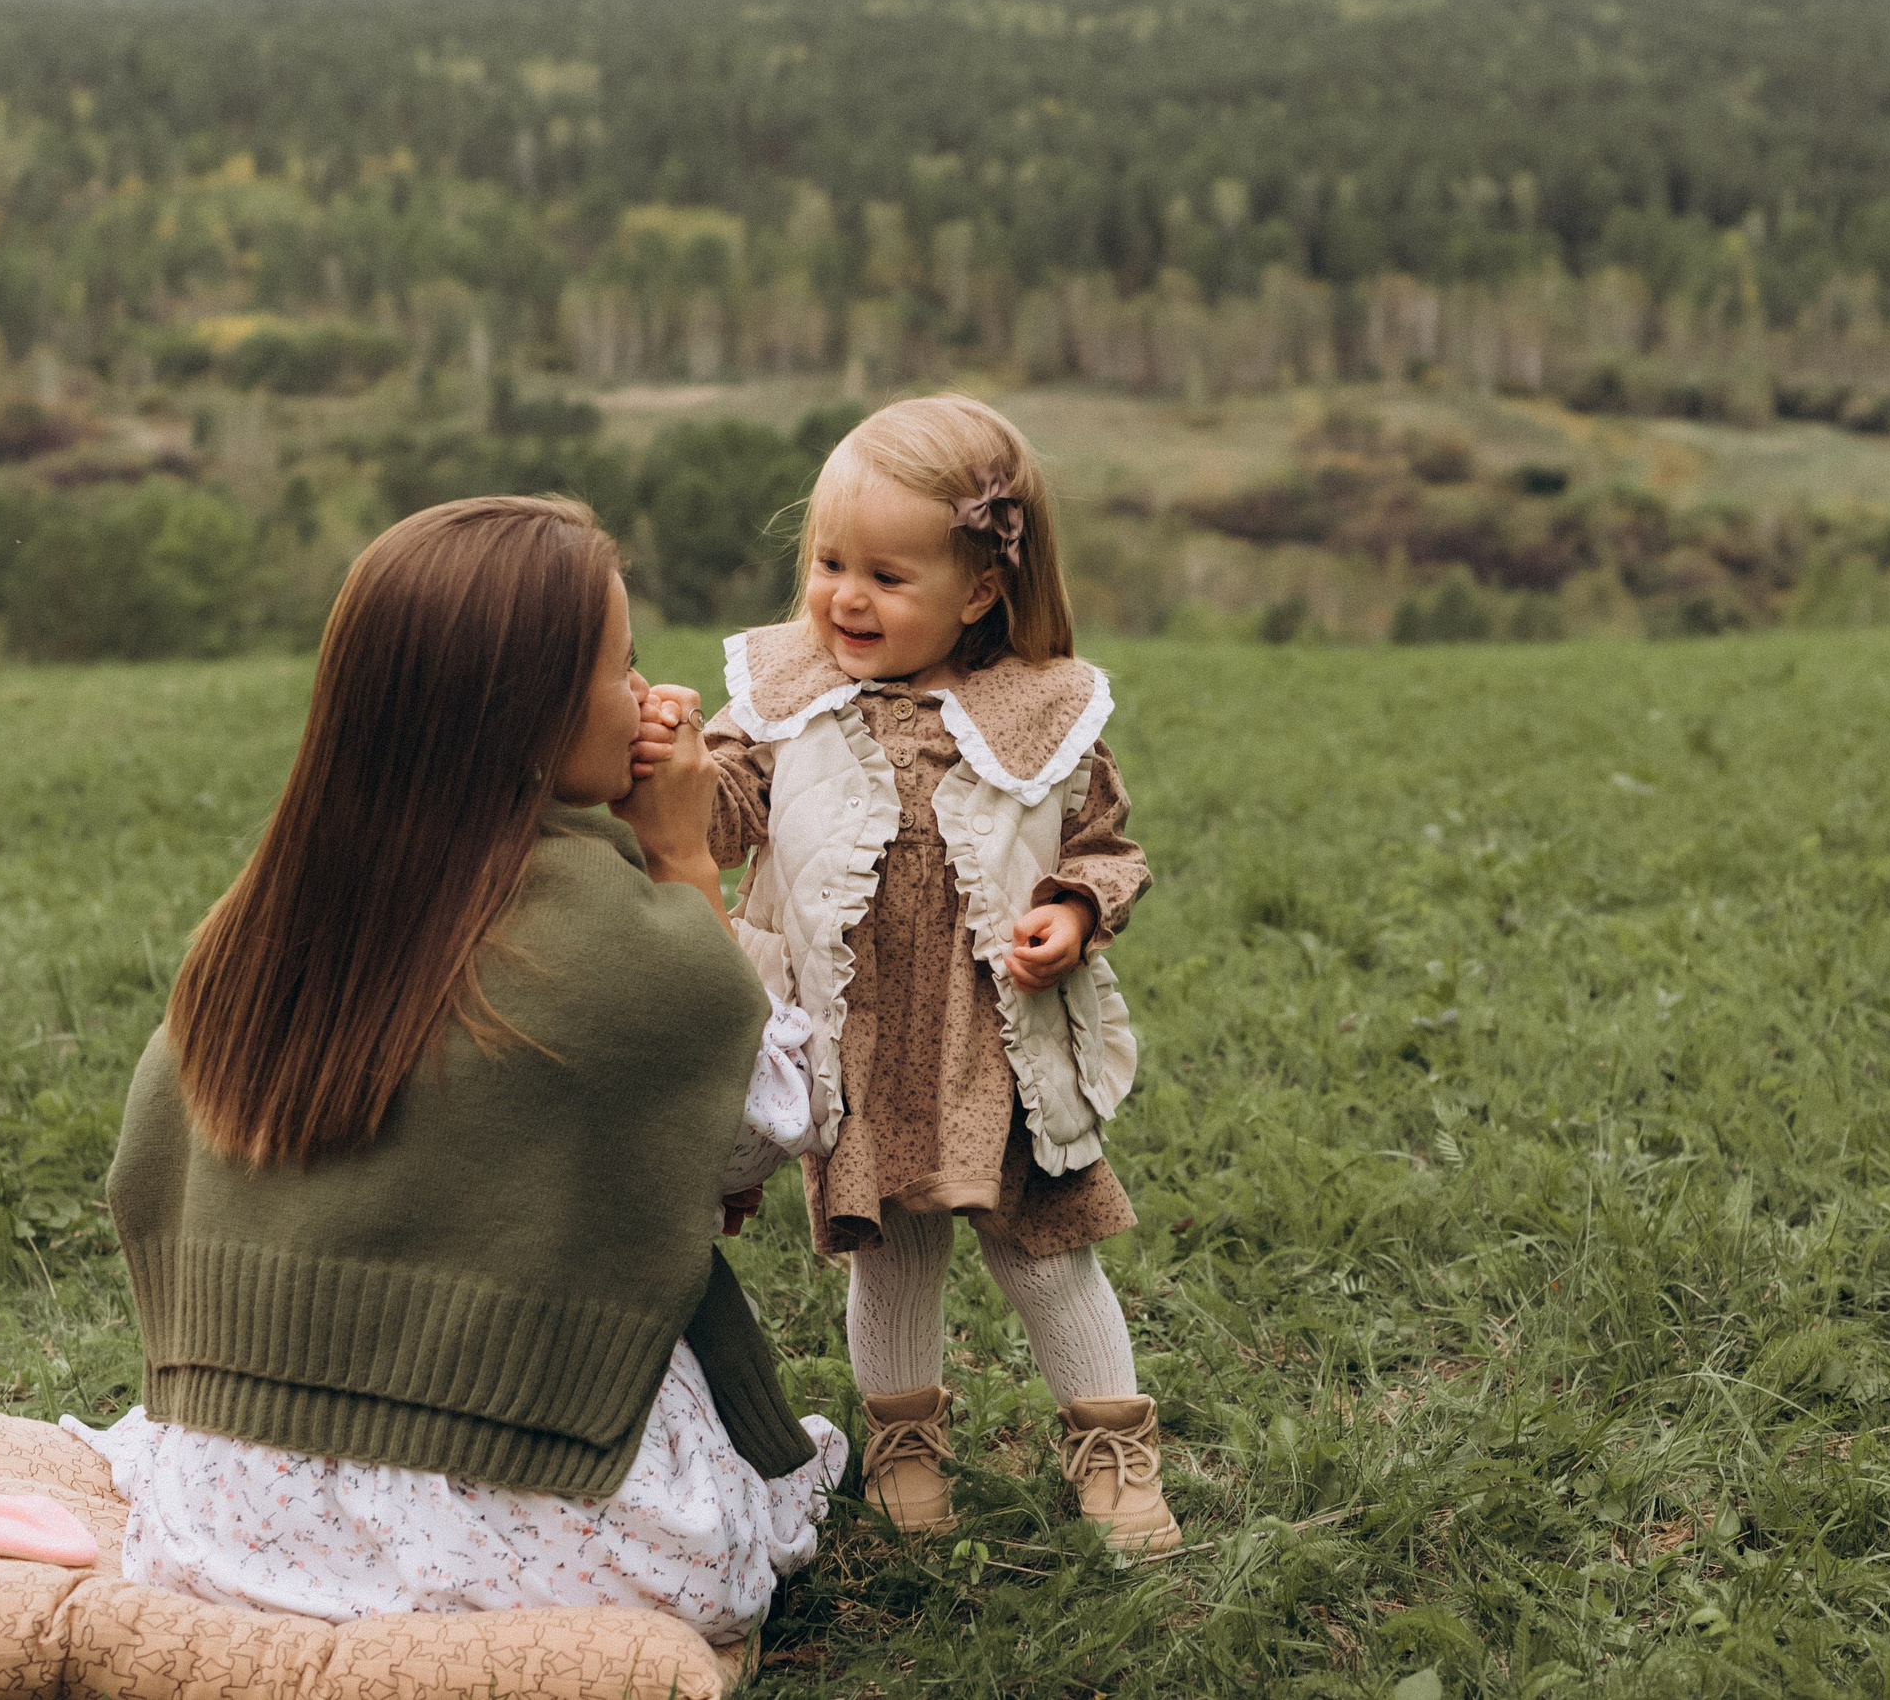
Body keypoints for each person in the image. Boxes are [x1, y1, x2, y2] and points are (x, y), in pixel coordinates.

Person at [70, 495, 845, 1646]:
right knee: (727, 1510)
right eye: (622, 666)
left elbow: (147, 1166)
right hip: (519, 1510)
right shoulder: (602, 929)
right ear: (526, 713)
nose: (645, 694)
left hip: (226, 1512)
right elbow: (764, 1124)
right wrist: (682, 852)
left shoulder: (264, 916)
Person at [703, 393, 1178, 1551]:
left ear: (979, 588)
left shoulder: (1043, 712)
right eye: (827, 563)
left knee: (1045, 1253)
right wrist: (671, 764)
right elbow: (718, 821)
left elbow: (1103, 847)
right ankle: (906, 1441)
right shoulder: (782, 700)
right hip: (864, 1046)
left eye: (885, 574)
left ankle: (1111, 1443)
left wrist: (1070, 911)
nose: (844, 597)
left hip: (994, 1047)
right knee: (894, 1259)